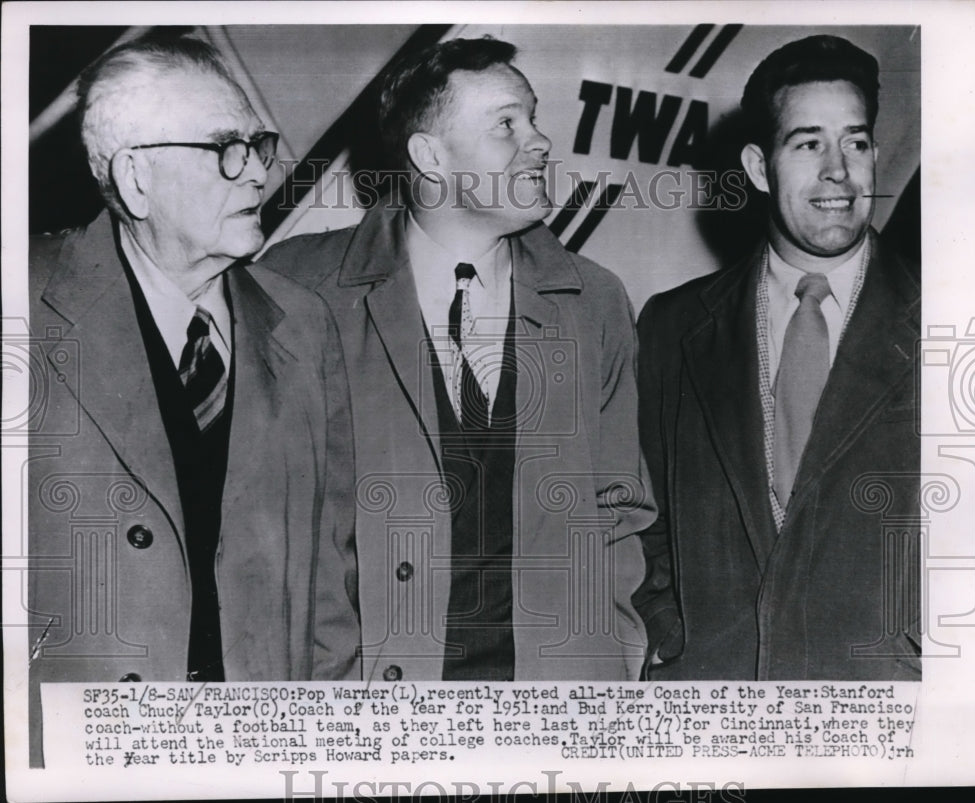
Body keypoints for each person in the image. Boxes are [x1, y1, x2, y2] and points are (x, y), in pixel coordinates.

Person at [262, 37, 654, 681]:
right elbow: (271, 527)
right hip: (367, 707)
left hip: (550, 706)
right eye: (506, 124)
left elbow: (616, 509)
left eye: (533, 118)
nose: (539, 142)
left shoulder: (594, 299)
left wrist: (609, 662)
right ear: (430, 156)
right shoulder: (296, 287)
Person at [27, 38, 358, 765]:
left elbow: (331, 594)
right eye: (224, 148)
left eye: (258, 144)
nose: (261, 170)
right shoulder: (20, 300)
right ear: (136, 176)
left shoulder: (303, 323)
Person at [632, 35, 921, 680]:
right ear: (760, 169)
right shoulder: (672, 325)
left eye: (856, 141)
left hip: (887, 718)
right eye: (809, 143)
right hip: (714, 707)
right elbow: (635, 512)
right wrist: (667, 629)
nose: (839, 172)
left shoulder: (953, 319)